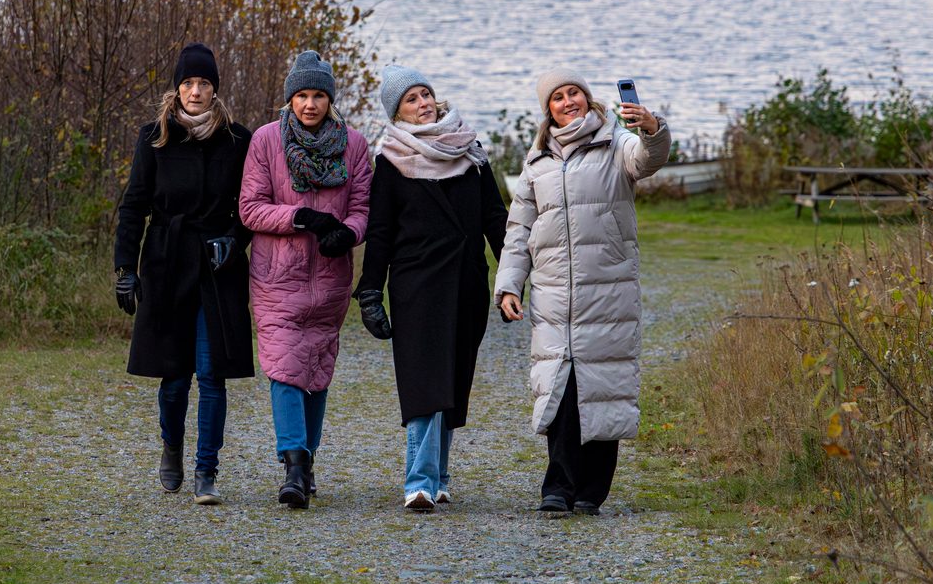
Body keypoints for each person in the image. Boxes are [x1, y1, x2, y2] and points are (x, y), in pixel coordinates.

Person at [494, 67, 670, 515]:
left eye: (574, 93)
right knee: (560, 385)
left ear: (588, 99)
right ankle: (558, 486)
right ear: (547, 108)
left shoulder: (616, 142)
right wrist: (509, 285)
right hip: (553, 291)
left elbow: (647, 160)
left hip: (606, 288)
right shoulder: (536, 162)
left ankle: (592, 490)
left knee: (604, 384)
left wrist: (652, 129)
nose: (567, 101)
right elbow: (519, 231)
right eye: (558, 97)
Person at [355, 65, 506, 512]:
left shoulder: (471, 154)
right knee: (425, 381)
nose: (423, 104)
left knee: (454, 379)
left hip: (466, 283)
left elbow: (495, 218)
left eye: (426, 95)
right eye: (411, 100)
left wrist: (515, 275)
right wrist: (369, 292)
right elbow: (380, 232)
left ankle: (439, 476)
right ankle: (418, 482)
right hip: (416, 286)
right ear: (397, 112)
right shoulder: (391, 161)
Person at [114, 43, 254, 505]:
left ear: (215, 90)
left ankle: (206, 471)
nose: (196, 91)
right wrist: (125, 269)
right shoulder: (154, 137)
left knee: (211, 374)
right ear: (177, 88)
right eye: (189, 83)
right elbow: (134, 206)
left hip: (217, 269)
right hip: (166, 263)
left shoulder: (238, 140)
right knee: (174, 378)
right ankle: (171, 445)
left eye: (204, 84)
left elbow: (249, 207)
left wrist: (234, 239)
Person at [238, 50, 372, 509]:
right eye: (301, 95)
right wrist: (302, 217)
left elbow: (362, 208)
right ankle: (293, 465)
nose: (310, 104)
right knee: (284, 369)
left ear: (329, 100)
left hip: (330, 280)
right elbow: (250, 208)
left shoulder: (353, 144)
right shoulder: (266, 141)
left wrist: (347, 233)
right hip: (278, 277)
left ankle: (307, 461)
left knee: (315, 371)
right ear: (290, 99)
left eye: (318, 95)